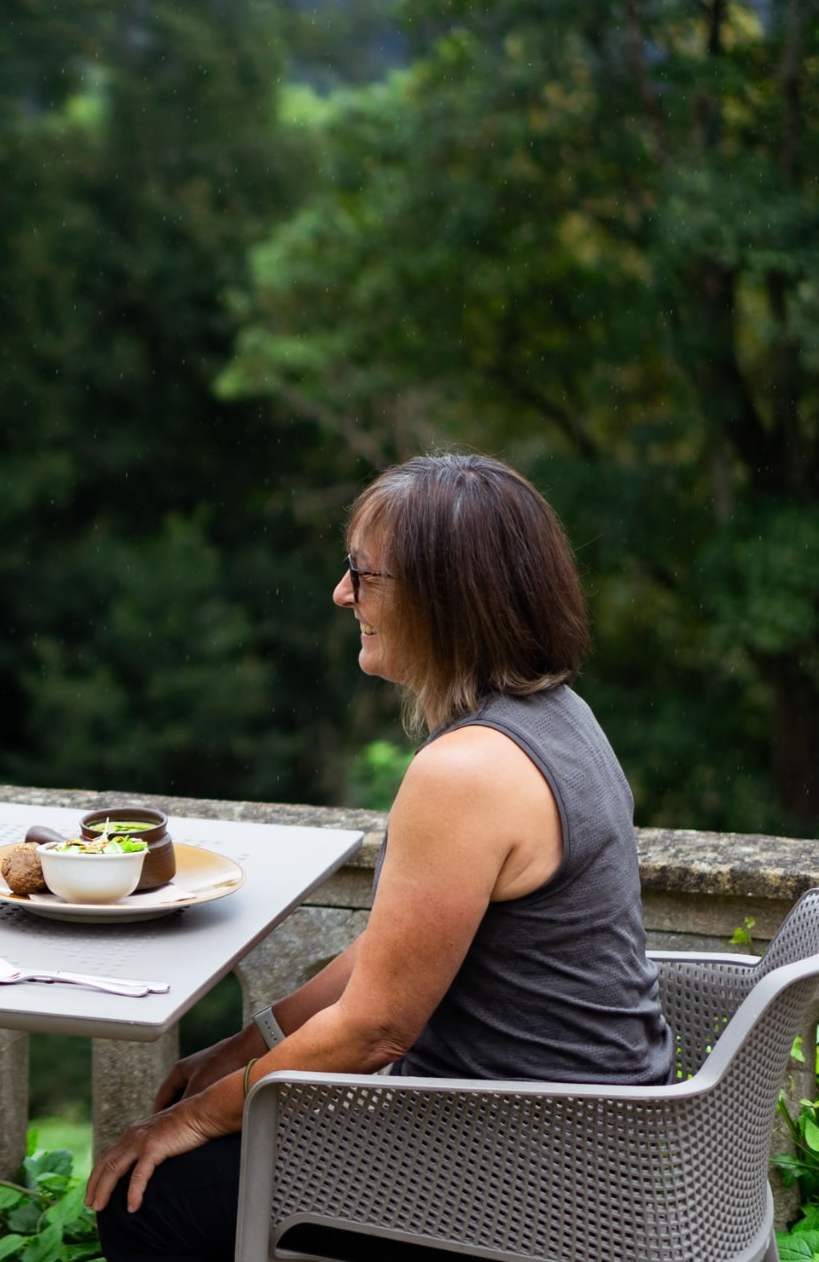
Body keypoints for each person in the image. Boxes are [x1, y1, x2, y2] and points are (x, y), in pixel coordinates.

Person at [87, 454, 673, 1261]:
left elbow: (374, 1032)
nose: (341, 595)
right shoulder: (559, 716)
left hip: (534, 1180)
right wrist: (243, 1046)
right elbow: (387, 960)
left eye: (363, 575)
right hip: (599, 1147)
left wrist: (193, 1118)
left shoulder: (467, 771)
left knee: (146, 1203)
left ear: (444, 598)